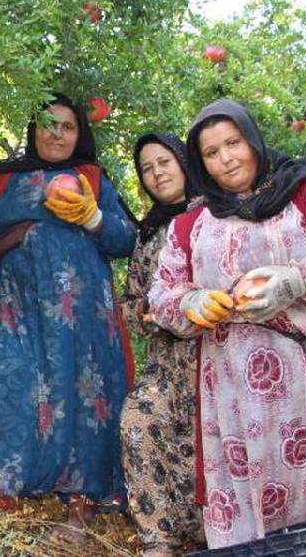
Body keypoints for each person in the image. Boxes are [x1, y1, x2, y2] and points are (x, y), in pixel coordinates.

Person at [147, 99, 306, 549]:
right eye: (211, 153)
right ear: (200, 164)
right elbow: (162, 294)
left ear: (253, 139)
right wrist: (191, 303)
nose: (226, 158)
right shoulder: (191, 225)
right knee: (256, 504)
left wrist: (298, 278)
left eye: (233, 143)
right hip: (234, 400)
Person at [0, 95, 137, 540]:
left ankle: (82, 503)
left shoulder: (92, 178)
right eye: (48, 124)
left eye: (68, 127)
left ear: (81, 135)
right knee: (11, 391)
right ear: (32, 129)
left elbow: (127, 238)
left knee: (85, 397)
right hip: (16, 310)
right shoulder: (2, 181)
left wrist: (92, 217)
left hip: (83, 315)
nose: (57, 134)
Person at [119, 133, 203, 556]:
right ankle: (160, 536)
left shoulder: (216, 214)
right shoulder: (147, 233)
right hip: (166, 360)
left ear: (185, 163)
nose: (157, 173)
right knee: (138, 421)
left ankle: (219, 534)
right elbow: (131, 300)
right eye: (147, 169)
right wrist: (149, 317)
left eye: (164, 162)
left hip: (215, 356)